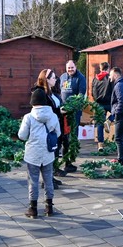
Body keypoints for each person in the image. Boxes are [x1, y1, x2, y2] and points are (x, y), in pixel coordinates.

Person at [20, 84, 61, 218]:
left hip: (32, 154)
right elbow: (58, 133)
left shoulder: (28, 117)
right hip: (48, 153)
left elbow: (22, 136)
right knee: (48, 180)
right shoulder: (53, 116)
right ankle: (49, 207)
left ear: (32, 102)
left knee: (33, 181)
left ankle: (33, 209)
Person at [32, 69, 63, 189]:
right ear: (47, 79)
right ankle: (46, 181)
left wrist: (60, 111)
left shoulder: (50, 91)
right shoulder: (39, 93)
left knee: (54, 152)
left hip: (54, 127)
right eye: (53, 77)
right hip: (45, 129)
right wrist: (58, 112)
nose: (55, 79)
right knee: (47, 154)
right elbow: (41, 113)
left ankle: (51, 177)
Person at [59, 60, 86, 171]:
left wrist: (72, 106)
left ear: (76, 67)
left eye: (72, 67)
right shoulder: (63, 77)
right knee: (64, 136)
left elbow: (81, 94)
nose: (70, 69)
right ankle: (65, 160)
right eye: (68, 68)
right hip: (63, 112)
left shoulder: (80, 78)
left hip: (74, 112)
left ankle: (69, 161)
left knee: (72, 136)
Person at [91, 61, 113, 154]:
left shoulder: (95, 79)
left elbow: (92, 92)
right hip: (109, 103)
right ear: (108, 68)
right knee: (117, 112)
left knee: (99, 124)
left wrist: (96, 100)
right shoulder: (109, 78)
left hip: (99, 103)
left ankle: (100, 144)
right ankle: (109, 120)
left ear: (100, 69)